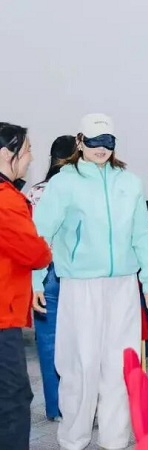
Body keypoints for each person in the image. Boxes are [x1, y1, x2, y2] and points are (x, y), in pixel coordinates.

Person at [32, 113, 148, 450]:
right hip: (80, 285)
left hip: (123, 285)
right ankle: (73, 438)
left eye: (107, 142)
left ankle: (115, 438)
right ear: (80, 141)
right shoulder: (64, 182)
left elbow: (142, 234)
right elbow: (41, 234)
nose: (101, 148)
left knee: (120, 363)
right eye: (93, 142)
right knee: (80, 363)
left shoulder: (129, 182)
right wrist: (35, 280)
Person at [0, 122, 52, 450]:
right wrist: (45, 245)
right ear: (7, 153)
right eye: (28, 149)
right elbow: (35, 253)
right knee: (14, 397)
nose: (31, 157)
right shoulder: (6, 200)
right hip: (2, 314)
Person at [28, 134, 75, 422]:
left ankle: (56, 408)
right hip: (78, 272)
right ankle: (82, 405)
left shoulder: (35, 191)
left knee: (48, 344)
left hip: (45, 271)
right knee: (83, 341)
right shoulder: (80, 188)